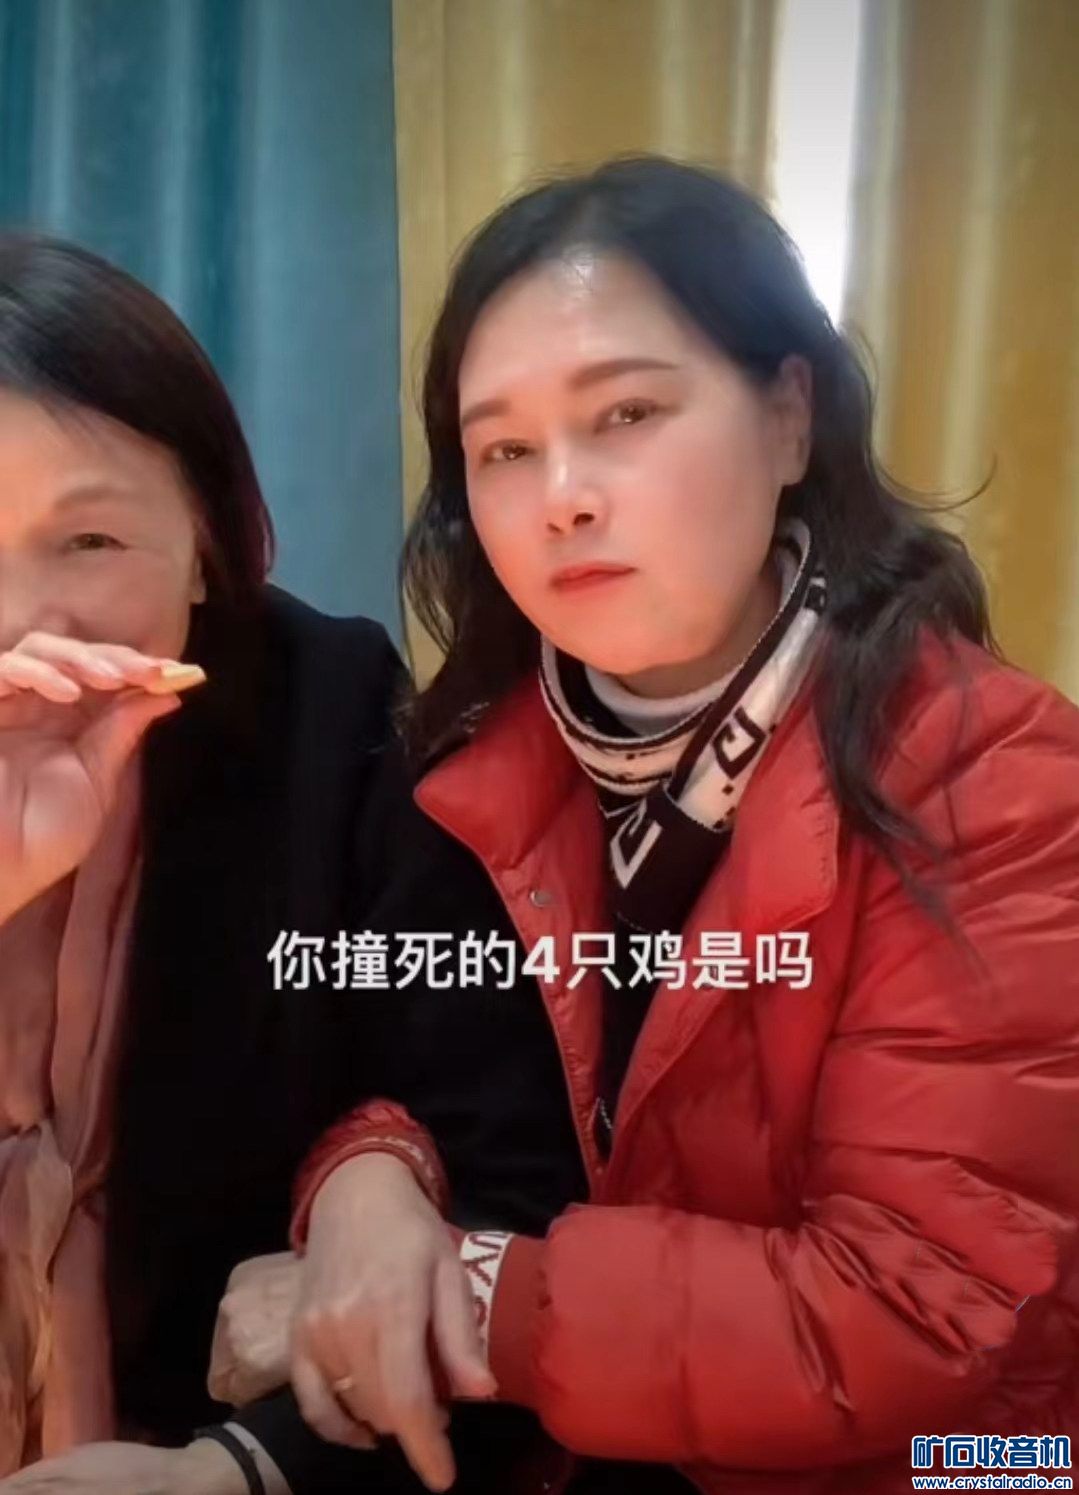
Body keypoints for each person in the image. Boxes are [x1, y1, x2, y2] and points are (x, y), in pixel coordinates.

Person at [279, 157, 1079, 1494]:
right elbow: (416, 1077)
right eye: (502, 449)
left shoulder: (993, 777)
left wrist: (460, 1290)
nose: (562, 495)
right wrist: (369, 1169)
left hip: (969, 1463)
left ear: (787, 418)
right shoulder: (473, 762)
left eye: (627, 412)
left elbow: (904, 1310)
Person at [0, 234, 586, 1494]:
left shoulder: (332, 719)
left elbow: (502, 1166)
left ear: (209, 547)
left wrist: (243, 1466)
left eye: (89, 539)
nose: (19, 620)